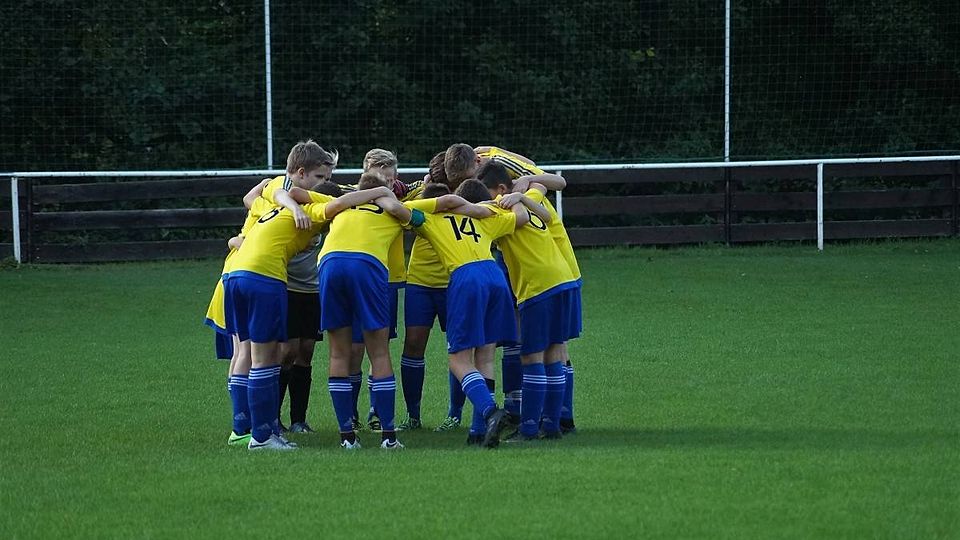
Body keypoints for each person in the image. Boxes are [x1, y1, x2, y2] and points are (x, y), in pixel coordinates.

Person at [224, 156, 389, 451]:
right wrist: (379, 191)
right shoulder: (313, 210)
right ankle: (261, 437)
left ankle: (251, 430)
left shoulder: (270, 206)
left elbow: (255, 199)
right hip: (265, 277)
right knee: (265, 358)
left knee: (251, 353)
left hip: (234, 275)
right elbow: (339, 204)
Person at [404, 178, 552, 447]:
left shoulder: (430, 219)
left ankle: (489, 411)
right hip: (494, 276)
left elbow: (399, 210)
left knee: (458, 360)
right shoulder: (484, 218)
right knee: (485, 356)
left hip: (466, 277)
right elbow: (520, 217)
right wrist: (511, 199)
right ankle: (478, 431)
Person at [477, 147, 582, 433]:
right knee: (555, 351)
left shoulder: (500, 211)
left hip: (538, 286)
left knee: (532, 356)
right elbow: (545, 209)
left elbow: (478, 213)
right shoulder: (530, 197)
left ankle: (529, 429)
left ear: (500, 190)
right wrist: (523, 192)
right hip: (565, 277)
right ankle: (554, 425)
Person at [317, 171, 416, 450]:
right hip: (367, 264)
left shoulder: (342, 207)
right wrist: (389, 198)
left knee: (338, 352)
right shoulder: (393, 208)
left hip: (329, 264)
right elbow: (419, 218)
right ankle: (388, 437)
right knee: (379, 351)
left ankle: (347, 437)